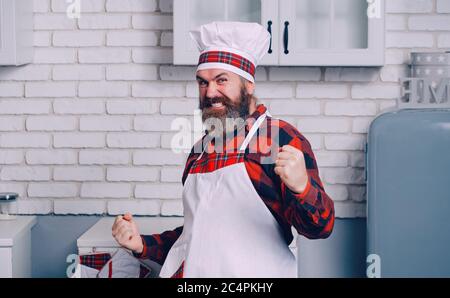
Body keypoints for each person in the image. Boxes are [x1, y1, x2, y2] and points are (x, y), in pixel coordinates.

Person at [112, 21, 335, 278]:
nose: (210, 93)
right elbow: (195, 236)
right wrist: (141, 244)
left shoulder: (277, 140)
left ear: (248, 84)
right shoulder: (199, 151)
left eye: (222, 80)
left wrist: (302, 188)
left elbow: (321, 227)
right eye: (202, 82)